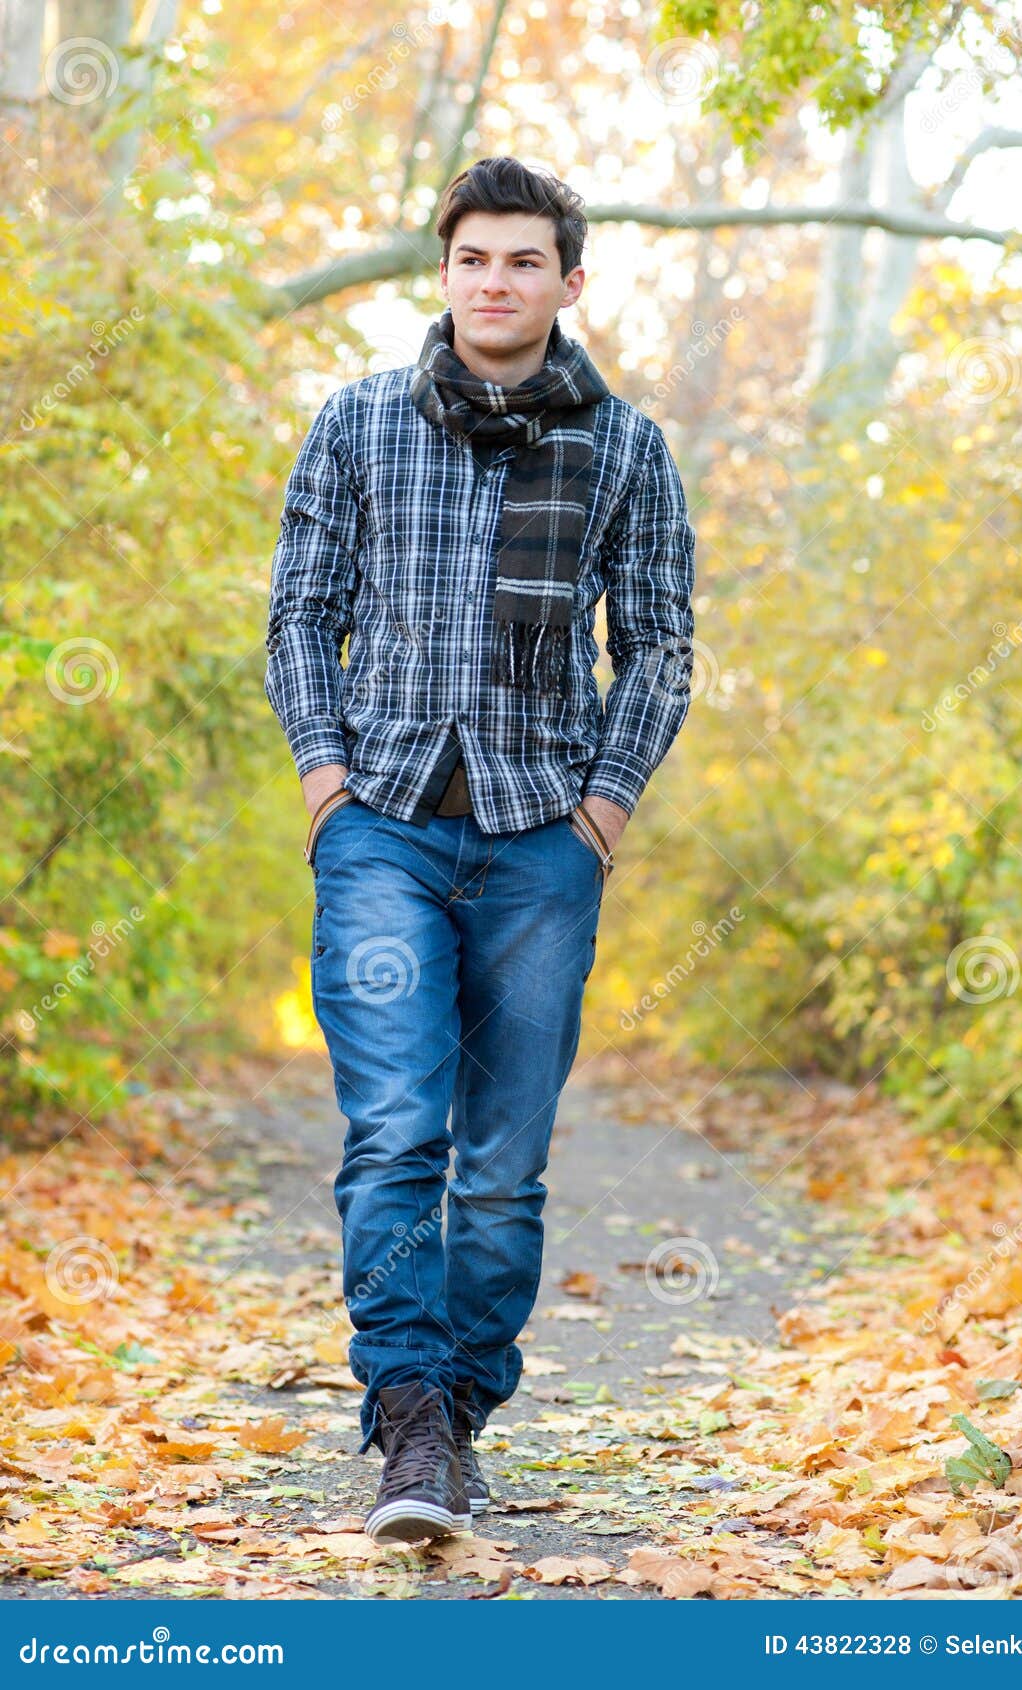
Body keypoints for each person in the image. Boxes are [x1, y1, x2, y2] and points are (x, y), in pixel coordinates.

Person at [264, 155, 696, 1544]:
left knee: (502, 1168)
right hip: (382, 826)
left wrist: (603, 811)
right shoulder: (356, 422)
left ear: (569, 283)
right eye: (472, 259)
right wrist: (327, 786)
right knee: (399, 1130)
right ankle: (408, 1413)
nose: (494, 282)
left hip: (539, 842)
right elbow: (299, 615)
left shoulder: (624, 447)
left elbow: (659, 645)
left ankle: (458, 1407)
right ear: (442, 273)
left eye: (523, 261)